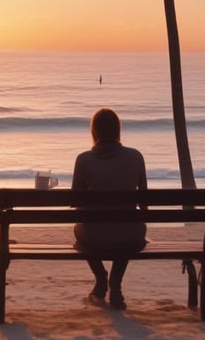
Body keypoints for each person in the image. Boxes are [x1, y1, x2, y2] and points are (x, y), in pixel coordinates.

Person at [71, 107, 147, 310]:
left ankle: (101, 278)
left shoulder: (84, 160)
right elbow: (145, 202)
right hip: (131, 236)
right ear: (118, 130)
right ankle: (115, 284)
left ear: (94, 131)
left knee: (84, 230)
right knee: (126, 227)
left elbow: (75, 201)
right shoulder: (136, 157)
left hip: (95, 236)